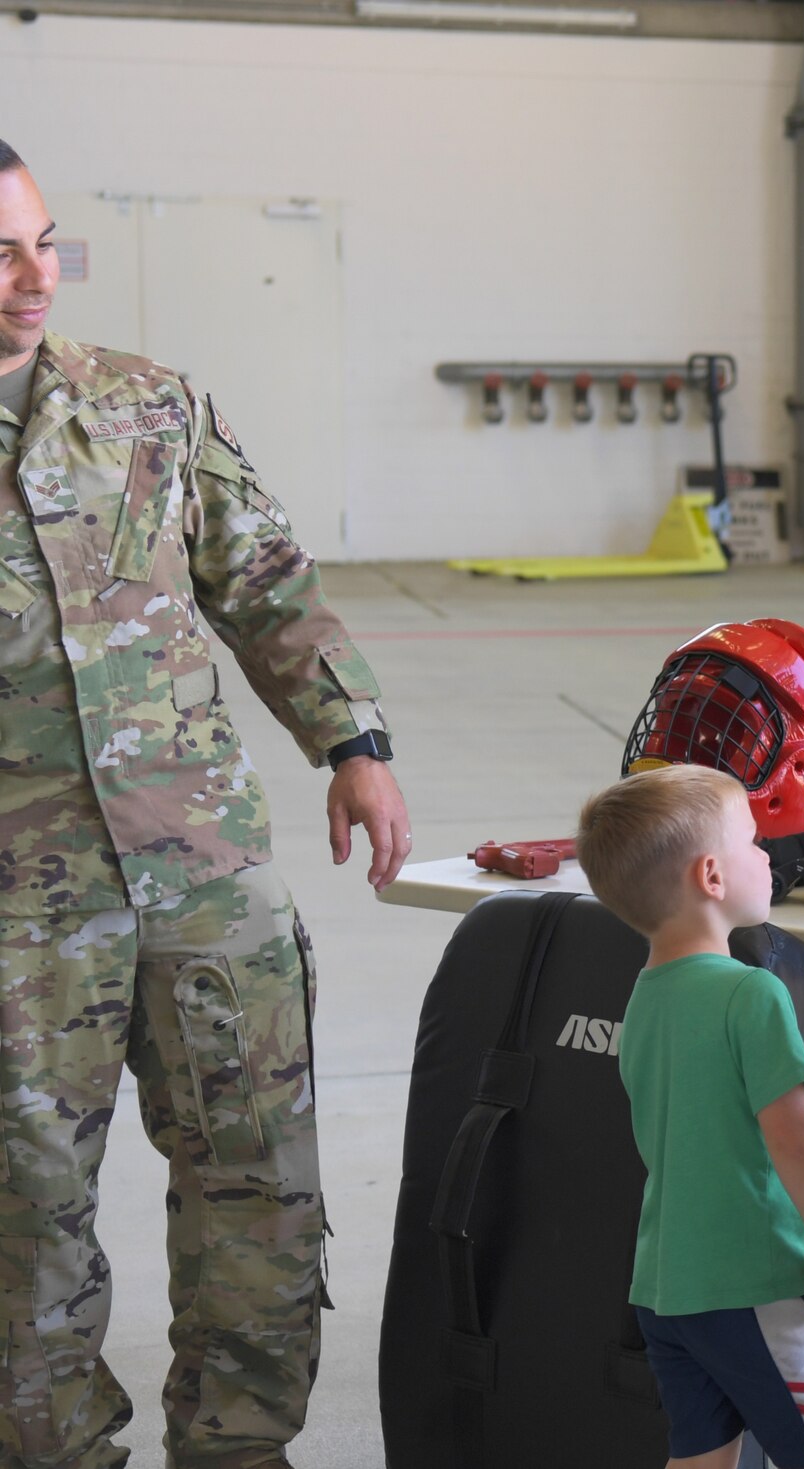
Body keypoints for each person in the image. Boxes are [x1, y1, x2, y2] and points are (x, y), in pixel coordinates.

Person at [0, 140, 411, 1466]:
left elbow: (266, 579)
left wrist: (351, 737)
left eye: (45, 243)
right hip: (18, 905)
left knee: (260, 1181)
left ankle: (241, 1447)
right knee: (26, 1208)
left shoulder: (147, 406)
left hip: (204, 869)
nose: (31, 279)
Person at [574, 766, 804, 1469]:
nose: (769, 858)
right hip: (751, 1277)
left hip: (667, 1285)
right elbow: (793, 1133)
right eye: (756, 843)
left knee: (703, 1457)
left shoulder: (644, 996)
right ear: (711, 875)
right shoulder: (750, 993)